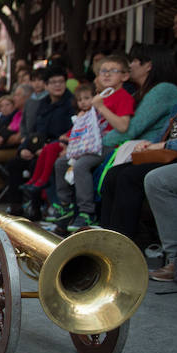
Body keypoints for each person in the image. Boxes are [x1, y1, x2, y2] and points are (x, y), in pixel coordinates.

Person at [99, 48, 177, 243]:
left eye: (134, 61)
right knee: (115, 174)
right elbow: (165, 130)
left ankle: (123, 245)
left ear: (148, 65)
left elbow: (130, 128)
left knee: (129, 176)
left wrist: (163, 144)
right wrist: (153, 144)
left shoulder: (164, 89)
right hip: (168, 153)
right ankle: (106, 240)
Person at [50, 57, 135, 229]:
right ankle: (66, 205)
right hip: (92, 144)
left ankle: (86, 212)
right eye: (103, 71)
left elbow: (123, 126)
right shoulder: (101, 96)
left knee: (81, 165)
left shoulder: (123, 97)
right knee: (60, 163)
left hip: (110, 146)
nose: (107, 74)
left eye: (113, 71)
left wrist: (101, 107)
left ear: (125, 76)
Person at [5, 66, 74, 218]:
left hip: (59, 148)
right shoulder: (42, 103)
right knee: (15, 163)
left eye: (61, 82)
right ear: (46, 85)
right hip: (37, 146)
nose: (57, 85)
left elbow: (72, 132)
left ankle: (39, 208)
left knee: (37, 164)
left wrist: (46, 148)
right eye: (53, 82)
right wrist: (24, 148)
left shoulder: (71, 104)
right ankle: (16, 207)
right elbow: (33, 131)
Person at [0, 84, 30, 196]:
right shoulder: (16, 115)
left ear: (27, 97)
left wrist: (4, 138)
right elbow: (6, 133)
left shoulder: (23, 114)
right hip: (6, 146)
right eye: (2, 106)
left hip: (16, 149)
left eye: (17, 95)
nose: (15, 97)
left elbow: (17, 137)